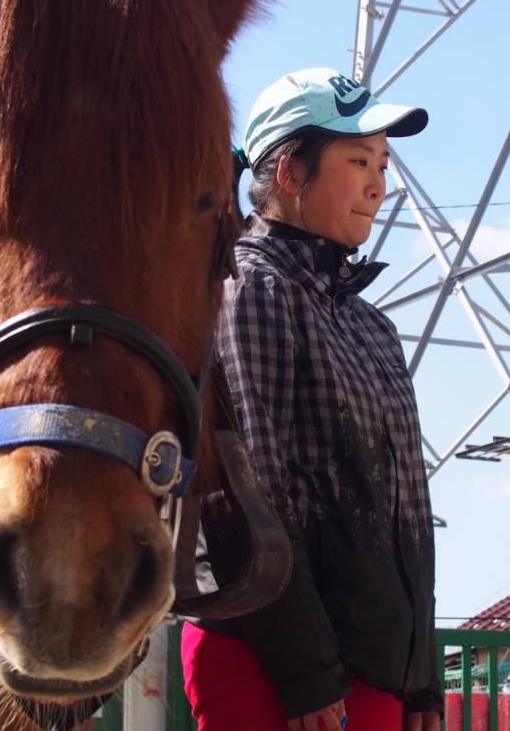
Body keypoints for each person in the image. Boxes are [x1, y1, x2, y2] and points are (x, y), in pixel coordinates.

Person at [184, 68, 440, 731]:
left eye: (382, 163)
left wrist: (422, 681)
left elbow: (407, 509)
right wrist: (303, 673)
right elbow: (240, 485)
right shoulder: (247, 287)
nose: (379, 184)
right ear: (291, 175)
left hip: (366, 665)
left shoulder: (369, 325)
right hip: (268, 660)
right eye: (358, 160)